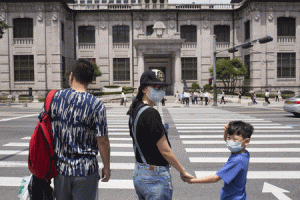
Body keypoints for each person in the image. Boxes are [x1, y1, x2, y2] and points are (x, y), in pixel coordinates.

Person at [43, 59, 111, 200]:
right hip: (85, 171)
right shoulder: (96, 104)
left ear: (71, 76)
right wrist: (106, 167)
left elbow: (45, 131)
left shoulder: (54, 98)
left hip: (60, 170)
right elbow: (102, 140)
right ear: (91, 80)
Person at [127, 70, 194, 200]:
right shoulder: (151, 113)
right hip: (154, 177)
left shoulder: (135, 110)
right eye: (156, 87)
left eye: (163, 87)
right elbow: (165, 151)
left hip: (140, 173)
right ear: (144, 89)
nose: (161, 90)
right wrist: (182, 170)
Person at [183, 121, 254, 200]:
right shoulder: (243, 153)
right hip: (238, 196)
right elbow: (227, 141)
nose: (230, 142)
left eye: (235, 139)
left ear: (246, 141)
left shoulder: (237, 160)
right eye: (228, 138)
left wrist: (193, 180)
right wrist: (226, 131)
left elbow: (215, 178)